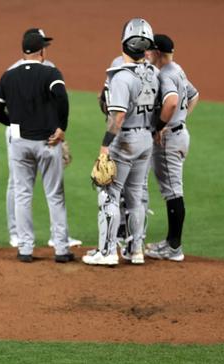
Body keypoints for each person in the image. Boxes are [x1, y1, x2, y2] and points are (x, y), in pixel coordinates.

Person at [0, 31, 74, 263]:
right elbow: (61, 97)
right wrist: (61, 126)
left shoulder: (8, 76)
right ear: (42, 51)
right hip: (47, 142)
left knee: (22, 194)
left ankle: (25, 249)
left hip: (19, 143)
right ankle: (61, 249)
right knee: (55, 196)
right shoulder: (51, 72)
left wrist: (14, 123)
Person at [82, 18, 158, 266]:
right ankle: (136, 250)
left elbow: (118, 116)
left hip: (125, 140)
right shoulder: (153, 73)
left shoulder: (122, 78)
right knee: (136, 196)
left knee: (109, 194)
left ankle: (106, 252)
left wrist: (105, 146)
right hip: (146, 138)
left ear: (124, 43)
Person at [144, 34, 200, 261]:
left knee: (173, 192)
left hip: (170, 140)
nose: (148, 54)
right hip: (179, 134)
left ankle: (174, 247)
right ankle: (171, 244)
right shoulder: (178, 69)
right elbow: (194, 96)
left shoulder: (166, 74)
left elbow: (173, 102)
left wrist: (160, 126)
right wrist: (180, 120)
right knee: (173, 190)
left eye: (150, 51)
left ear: (157, 52)